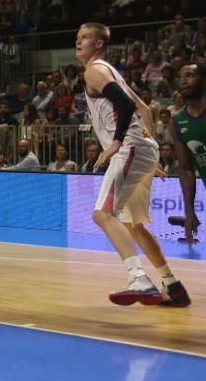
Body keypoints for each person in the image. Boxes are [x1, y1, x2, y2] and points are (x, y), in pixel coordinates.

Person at [76, 22, 189, 306]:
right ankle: (173, 286)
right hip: (142, 150)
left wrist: (117, 143)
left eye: (85, 37)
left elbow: (127, 107)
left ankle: (139, 279)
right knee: (134, 225)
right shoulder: (111, 71)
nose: (78, 42)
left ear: (99, 43)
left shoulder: (94, 70)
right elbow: (145, 108)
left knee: (102, 214)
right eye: (77, 37)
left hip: (129, 148)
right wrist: (152, 155)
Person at [170, 63, 206, 247]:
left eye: (190, 75)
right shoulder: (178, 120)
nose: (183, 81)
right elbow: (186, 170)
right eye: (181, 77)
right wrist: (190, 211)